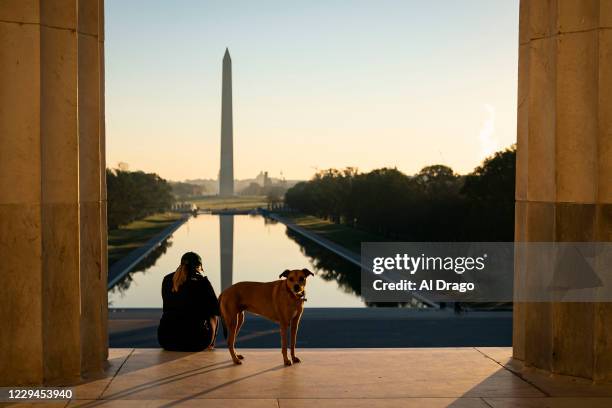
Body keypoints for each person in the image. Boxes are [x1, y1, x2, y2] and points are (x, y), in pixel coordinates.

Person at [157, 251, 220, 351]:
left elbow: (166, 307)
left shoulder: (167, 280)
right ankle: (211, 344)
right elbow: (216, 310)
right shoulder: (202, 282)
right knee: (213, 314)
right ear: (199, 267)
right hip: (196, 342)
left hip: (166, 340)